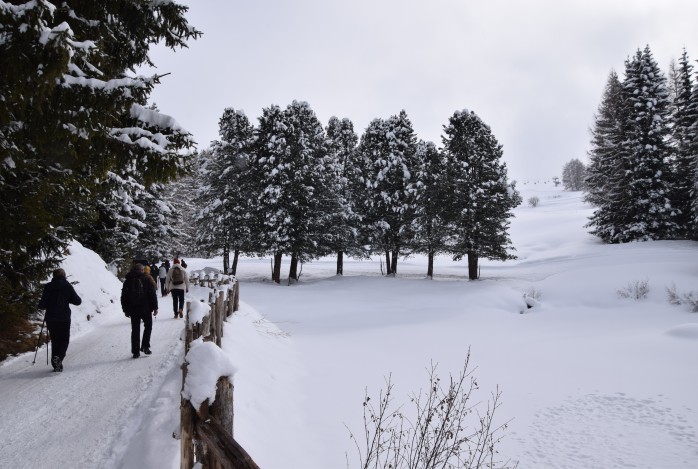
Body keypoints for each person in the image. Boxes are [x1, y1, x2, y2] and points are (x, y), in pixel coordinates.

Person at [38, 268, 82, 372]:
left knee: (55, 340)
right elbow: (77, 301)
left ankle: (56, 364)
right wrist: (67, 298)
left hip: (51, 318)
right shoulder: (67, 286)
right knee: (64, 340)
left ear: (54, 276)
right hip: (64, 318)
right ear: (63, 275)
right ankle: (59, 358)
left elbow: (42, 304)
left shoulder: (48, 286)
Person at [121, 263, 158, 358]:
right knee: (148, 326)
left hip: (133, 309)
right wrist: (155, 308)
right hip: (146, 308)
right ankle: (145, 346)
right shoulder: (147, 279)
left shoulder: (128, 280)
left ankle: (135, 351)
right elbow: (152, 294)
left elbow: (124, 297)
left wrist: (125, 310)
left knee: (135, 330)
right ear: (141, 270)